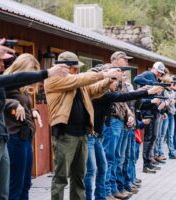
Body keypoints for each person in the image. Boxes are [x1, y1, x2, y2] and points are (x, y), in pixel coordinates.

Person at [0, 42, 68, 200]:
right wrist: (46, 73)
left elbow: (18, 80)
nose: (3, 65)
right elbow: (16, 78)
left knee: (6, 191)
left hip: (2, 139)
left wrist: (32, 110)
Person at [44, 51, 121, 200]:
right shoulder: (53, 80)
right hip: (65, 134)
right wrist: (104, 74)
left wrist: (108, 80)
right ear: (63, 68)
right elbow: (79, 79)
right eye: (74, 68)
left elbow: (95, 90)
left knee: (79, 176)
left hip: (82, 134)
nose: (77, 71)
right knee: (60, 178)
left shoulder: (78, 83)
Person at [3, 54, 45, 200]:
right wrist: (13, 104)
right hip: (14, 138)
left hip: (26, 138)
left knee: (26, 183)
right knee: (15, 184)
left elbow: (25, 106)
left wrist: (34, 111)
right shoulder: (7, 81)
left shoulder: (22, 87)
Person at [134, 61, 167, 173]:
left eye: (161, 73)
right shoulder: (148, 74)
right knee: (149, 138)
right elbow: (136, 79)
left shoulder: (154, 78)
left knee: (153, 137)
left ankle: (149, 161)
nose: (159, 74)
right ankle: (146, 164)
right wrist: (153, 84)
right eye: (159, 72)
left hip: (154, 110)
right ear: (153, 68)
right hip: (148, 111)